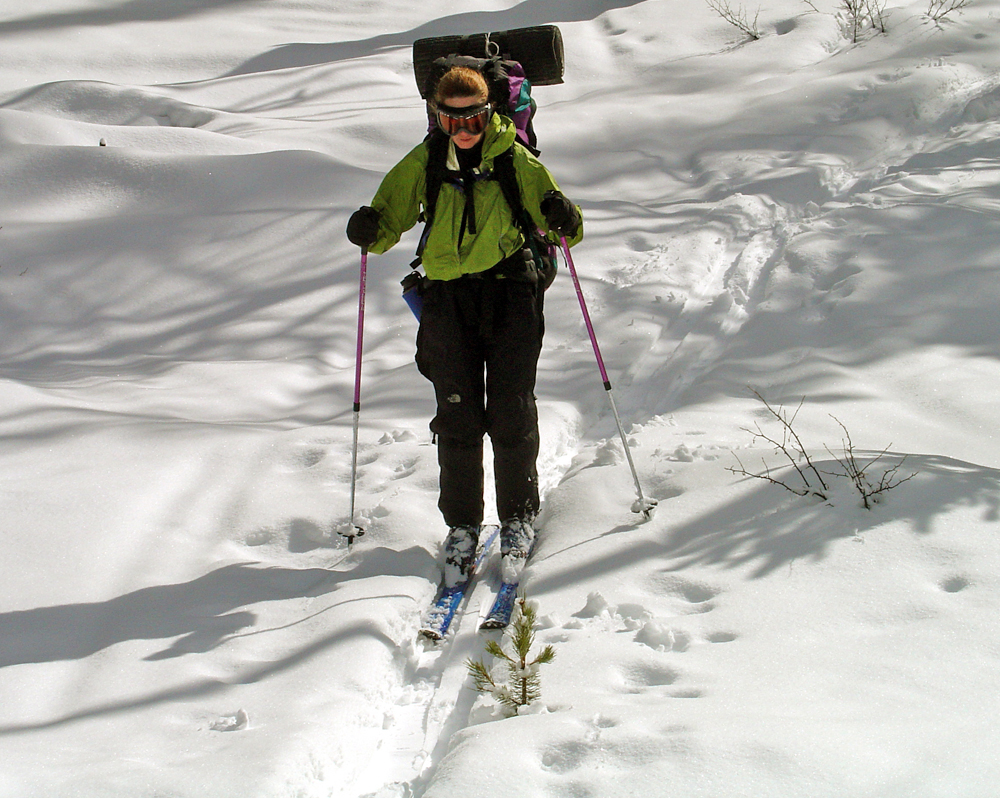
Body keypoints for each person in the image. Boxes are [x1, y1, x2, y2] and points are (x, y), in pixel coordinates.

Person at [346, 65, 582, 585]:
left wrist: (562, 215)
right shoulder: (426, 161)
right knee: (456, 412)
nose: (464, 131)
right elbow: (387, 221)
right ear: (438, 117)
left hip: (511, 293)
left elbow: (566, 227)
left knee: (511, 406)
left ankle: (517, 518)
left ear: (488, 112)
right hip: (448, 298)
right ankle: (463, 526)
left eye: (473, 119)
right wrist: (369, 228)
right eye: (451, 121)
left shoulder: (514, 159)